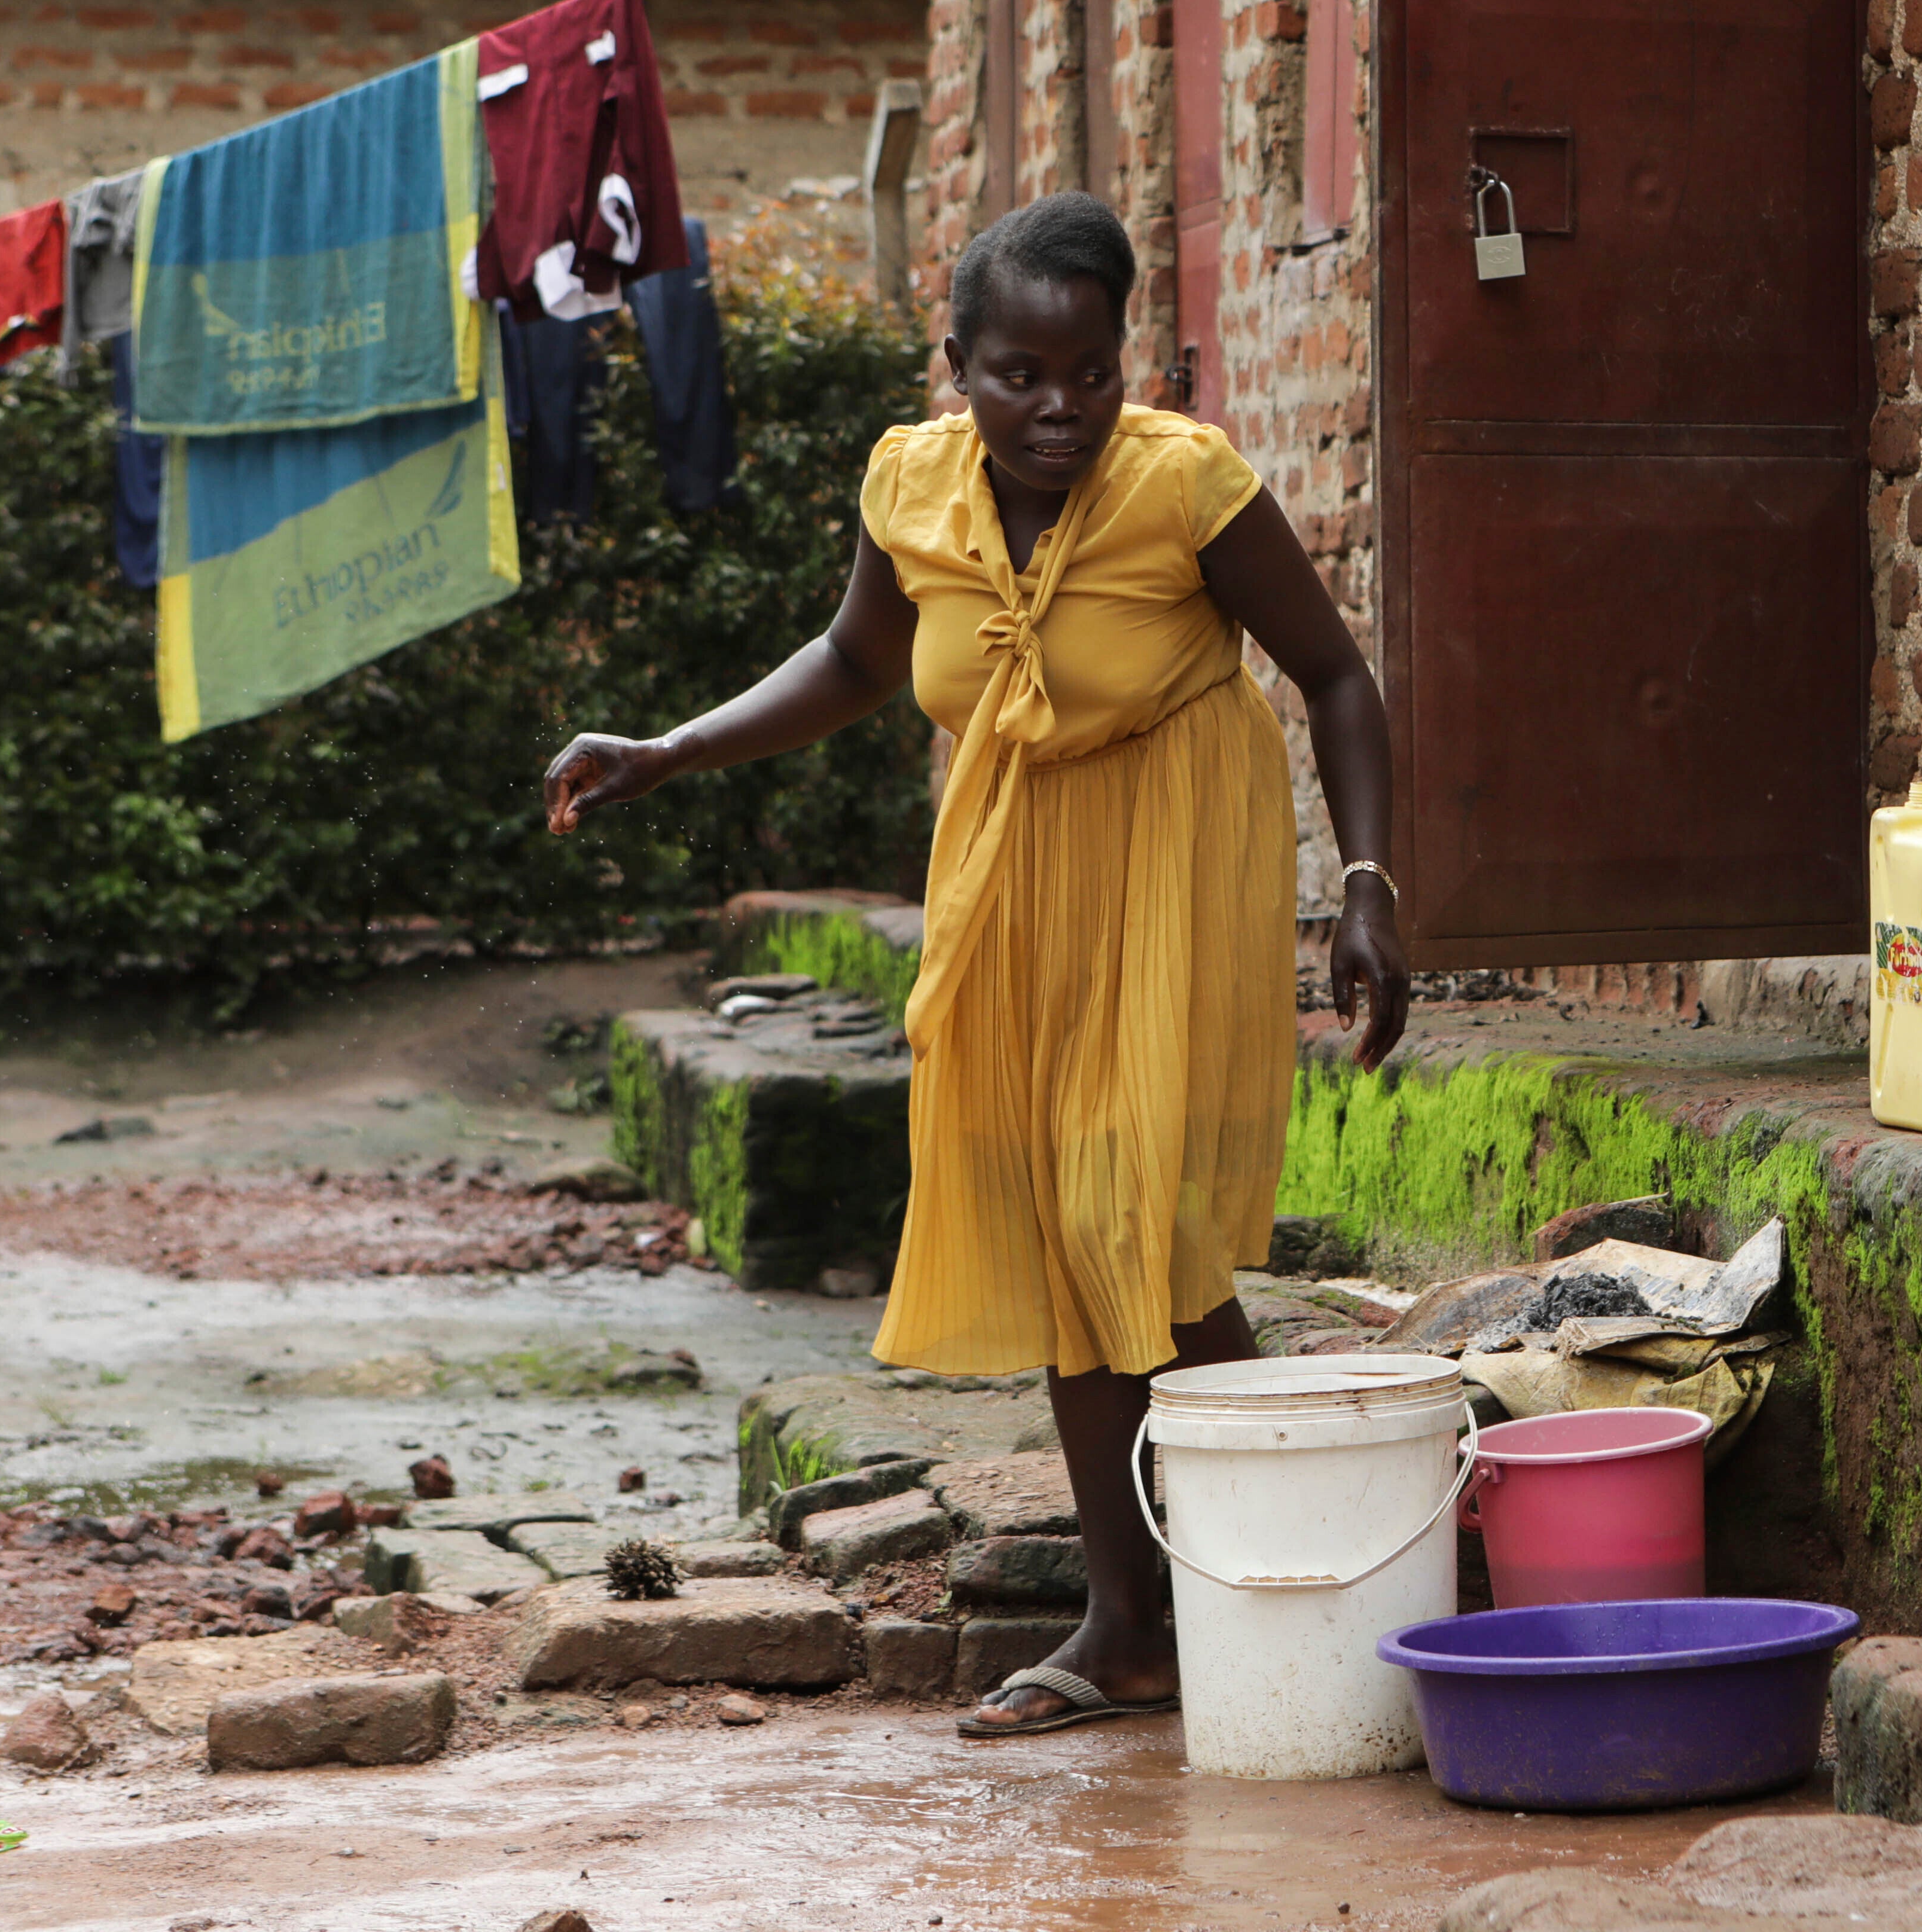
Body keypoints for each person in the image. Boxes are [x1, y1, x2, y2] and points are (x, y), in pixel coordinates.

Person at [541, 193, 1408, 1736]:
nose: (1061, 407)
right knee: (1058, 1217)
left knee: (1119, 1205)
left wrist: (1363, 889)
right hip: (1008, 877)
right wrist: (669, 750)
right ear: (958, 364)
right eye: (1021, 372)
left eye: (1091, 370)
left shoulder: (1185, 486)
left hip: (1170, 850)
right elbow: (860, 663)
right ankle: (1148, 1617)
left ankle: (1299, 1547)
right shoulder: (911, 486)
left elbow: (1336, 675)